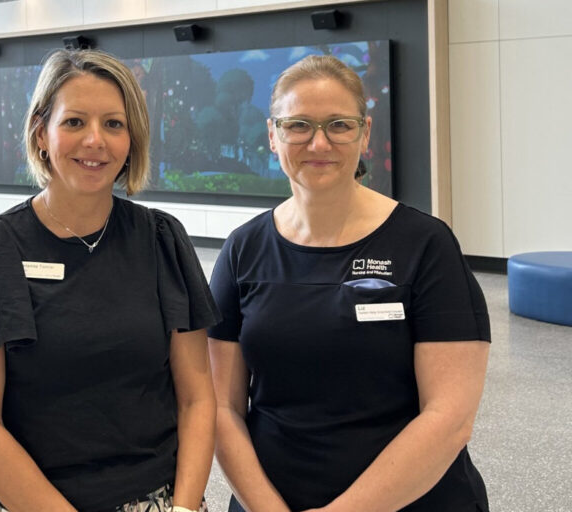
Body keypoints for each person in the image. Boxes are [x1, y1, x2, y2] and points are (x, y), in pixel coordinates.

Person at [207, 55, 491, 512]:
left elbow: (449, 417)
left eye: (338, 124)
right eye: (298, 124)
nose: (319, 142)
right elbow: (221, 408)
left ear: (365, 132)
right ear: (272, 135)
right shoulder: (243, 249)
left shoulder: (425, 245)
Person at [0, 49, 220, 512]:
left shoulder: (161, 239)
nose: (95, 141)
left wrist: (185, 509)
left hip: (161, 501)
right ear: (41, 133)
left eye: (114, 124)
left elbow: (196, 400)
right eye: (74, 122)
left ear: (133, 139)